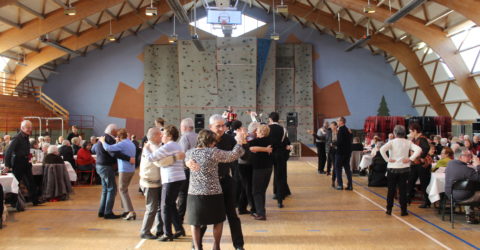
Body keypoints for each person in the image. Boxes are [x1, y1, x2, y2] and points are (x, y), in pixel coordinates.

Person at [185, 129, 245, 250]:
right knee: (218, 221)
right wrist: (239, 142)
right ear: (210, 142)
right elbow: (232, 155)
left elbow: (184, 160)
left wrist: (187, 162)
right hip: (213, 192)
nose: (215, 143)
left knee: (195, 223)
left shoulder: (190, 153)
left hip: (194, 193)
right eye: (214, 141)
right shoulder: (213, 152)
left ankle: (197, 248)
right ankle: (216, 246)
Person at [143, 125, 186, 241]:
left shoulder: (168, 146)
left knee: (165, 206)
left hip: (171, 179)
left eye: (164, 134)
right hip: (179, 178)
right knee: (171, 205)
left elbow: (151, 158)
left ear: (170, 136)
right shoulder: (177, 145)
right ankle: (179, 229)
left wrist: (146, 148)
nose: (161, 136)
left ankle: (167, 234)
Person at [94, 124, 135, 219]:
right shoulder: (109, 139)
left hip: (100, 165)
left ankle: (102, 211)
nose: (116, 133)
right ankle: (108, 212)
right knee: (112, 189)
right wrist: (129, 158)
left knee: (105, 189)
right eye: (115, 130)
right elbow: (113, 153)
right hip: (106, 167)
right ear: (112, 131)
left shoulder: (104, 137)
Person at [380, 125, 422, 216]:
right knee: (403, 190)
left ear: (395, 133)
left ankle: (389, 209)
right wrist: (410, 159)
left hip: (392, 168)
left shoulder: (392, 142)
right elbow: (419, 149)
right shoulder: (408, 142)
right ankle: (403, 211)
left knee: (391, 190)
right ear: (404, 133)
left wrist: (387, 159)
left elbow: (382, 149)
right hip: (404, 169)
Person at [4, 120, 41, 206]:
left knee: (31, 182)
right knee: (16, 183)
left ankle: (34, 200)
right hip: (18, 163)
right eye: (28, 128)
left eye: (30, 128)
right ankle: (13, 202)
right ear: (22, 128)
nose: (30, 129)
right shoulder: (17, 138)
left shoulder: (26, 137)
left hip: (25, 162)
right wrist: (7, 165)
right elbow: (8, 152)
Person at [445, 149, 480, 224]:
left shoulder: (450, 163)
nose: (470, 157)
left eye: (470, 155)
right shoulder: (467, 170)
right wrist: (478, 165)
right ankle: (470, 215)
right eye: (468, 156)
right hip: (461, 196)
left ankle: (470, 214)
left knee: (471, 188)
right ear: (461, 157)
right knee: (475, 190)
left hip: (450, 194)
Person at [249, 124, 273, 220]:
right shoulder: (271, 141)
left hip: (259, 169)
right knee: (262, 190)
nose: (256, 132)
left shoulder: (256, 141)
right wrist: (265, 149)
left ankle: (261, 213)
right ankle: (261, 210)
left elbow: (250, 148)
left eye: (257, 131)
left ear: (261, 132)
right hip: (268, 168)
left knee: (256, 191)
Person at [177, 118, 198, 225]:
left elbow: (182, 155)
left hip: (186, 169)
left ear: (184, 127)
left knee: (183, 194)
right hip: (197, 170)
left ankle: (179, 218)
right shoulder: (198, 136)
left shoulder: (185, 137)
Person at [268, 112, 291, 208]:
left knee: (265, 176)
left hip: (268, 154)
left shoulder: (267, 128)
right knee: (279, 175)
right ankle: (280, 197)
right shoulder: (283, 129)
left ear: (270, 119)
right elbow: (286, 141)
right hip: (280, 154)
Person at [407, 122, 431, 208]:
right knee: (411, 181)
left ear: (415, 131)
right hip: (415, 164)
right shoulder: (415, 139)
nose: (410, 133)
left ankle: (427, 201)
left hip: (422, 165)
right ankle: (408, 199)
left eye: (411, 131)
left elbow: (426, 148)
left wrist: (421, 157)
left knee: (424, 183)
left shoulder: (422, 139)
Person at [334, 117, 353, 190]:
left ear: (342, 122)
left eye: (338, 120)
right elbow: (350, 140)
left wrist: (333, 144)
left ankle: (340, 185)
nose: (337, 122)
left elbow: (340, 142)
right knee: (347, 169)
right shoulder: (348, 130)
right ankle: (350, 185)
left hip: (340, 153)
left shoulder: (341, 130)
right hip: (347, 153)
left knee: (338, 168)